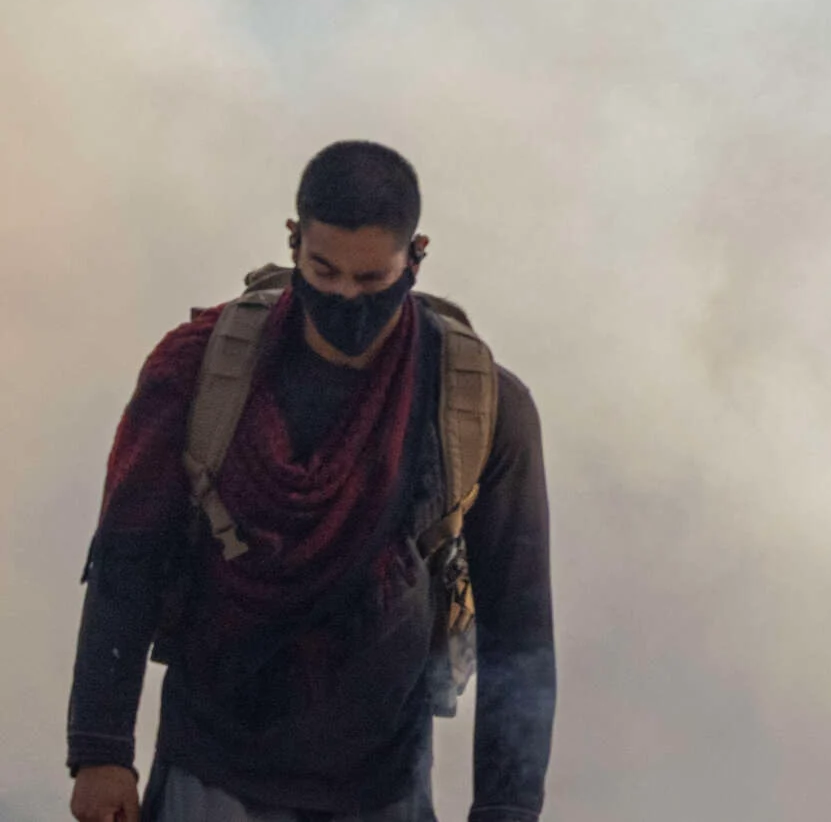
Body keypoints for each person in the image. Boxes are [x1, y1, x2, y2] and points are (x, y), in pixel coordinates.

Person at [65, 142, 553, 822]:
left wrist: (506, 808)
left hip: (384, 779)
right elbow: (127, 557)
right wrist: (100, 749)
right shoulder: (198, 368)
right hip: (210, 762)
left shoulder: (479, 403)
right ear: (293, 243)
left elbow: (519, 629)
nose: (346, 298)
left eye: (371, 281)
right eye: (324, 272)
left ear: (416, 257)